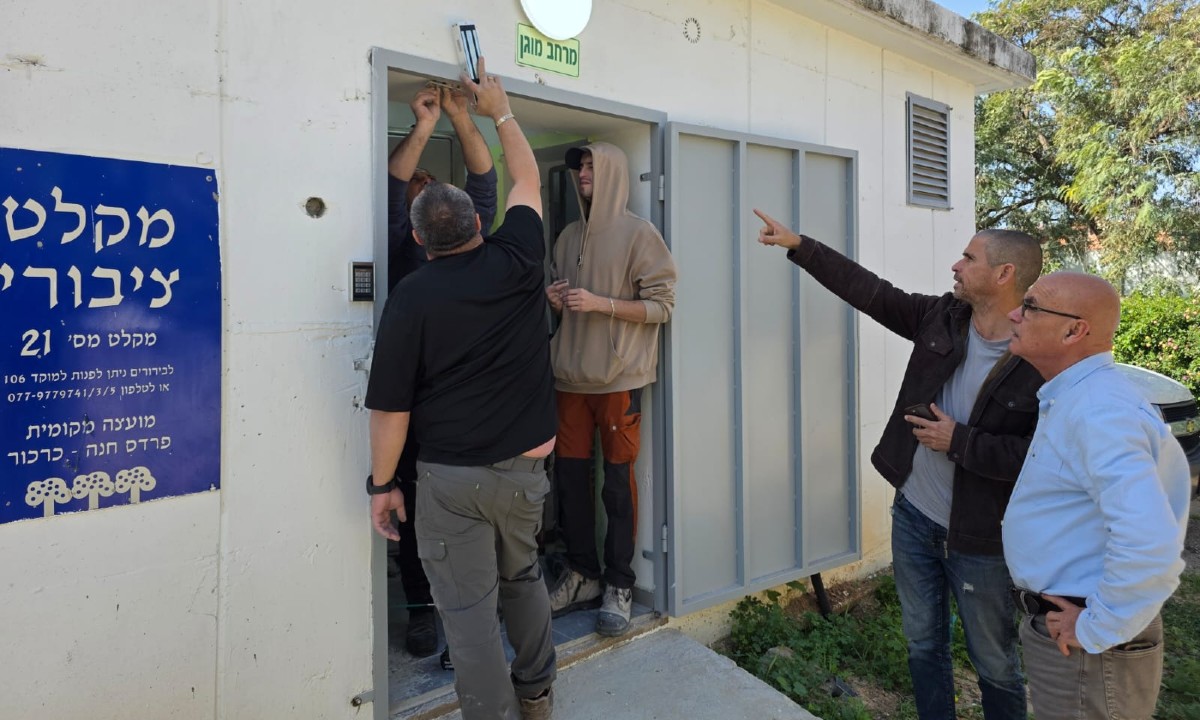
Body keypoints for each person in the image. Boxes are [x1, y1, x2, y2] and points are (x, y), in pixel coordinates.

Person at [755, 210, 1043, 720]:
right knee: (923, 646)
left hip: (981, 538)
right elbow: (872, 293)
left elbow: (1040, 458)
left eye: (969, 258)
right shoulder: (944, 317)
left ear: (1004, 275)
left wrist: (959, 441)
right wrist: (800, 245)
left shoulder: (1039, 357)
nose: (956, 265)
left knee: (995, 664)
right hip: (914, 516)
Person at [365, 58, 557, 720]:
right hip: (526, 470)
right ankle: (537, 697)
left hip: (450, 479)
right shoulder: (519, 257)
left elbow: (390, 408)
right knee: (523, 580)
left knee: (470, 612)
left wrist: (380, 484)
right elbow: (522, 178)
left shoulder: (411, 296)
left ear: (421, 238)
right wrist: (496, 111)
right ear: (480, 223)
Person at [1003, 271, 1190, 720]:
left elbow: (1149, 543)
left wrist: (1097, 627)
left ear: (1074, 331)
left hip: (1087, 648)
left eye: (1030, 306)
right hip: (1075, 637)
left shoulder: (1098, 411)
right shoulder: (1081, 398)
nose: (1014, 314)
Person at [543, 142, 676, 637]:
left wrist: (603, 304)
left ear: (613, 173)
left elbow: (663, 306)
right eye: (580, 166)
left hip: (619, 380)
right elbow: (561, 300)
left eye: (592, 166)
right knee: (570, 481)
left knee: (617, 484)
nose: (583, 173)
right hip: (569, 378)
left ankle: (620, 584)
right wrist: (554, 300)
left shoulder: (640, 234)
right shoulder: (567, 236)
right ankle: (583, 574)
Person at [384, 82, 497, 659]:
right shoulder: (401, 251)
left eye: (434, 183)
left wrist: (459, 118)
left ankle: (470, 628)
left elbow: (484, 184)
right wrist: (428, 125)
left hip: (472, 413)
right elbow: (392, 184)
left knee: (472, 521)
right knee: (415, 515)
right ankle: (422, 613)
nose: (426, 186)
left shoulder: (482, 251)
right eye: (419, 185)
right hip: (418, 414)